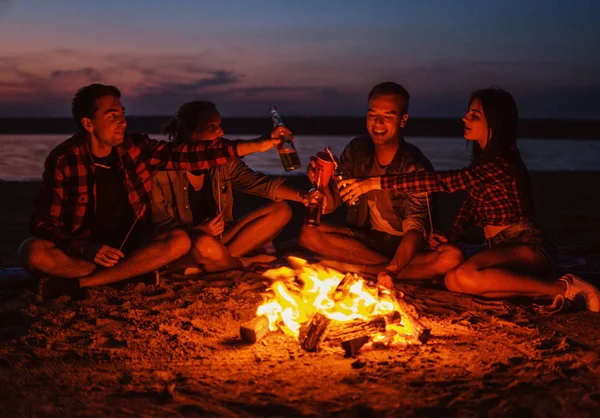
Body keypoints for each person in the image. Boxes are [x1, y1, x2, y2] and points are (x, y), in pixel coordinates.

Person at [339, 88, 600, 312]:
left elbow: (447, 182)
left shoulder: (502, 162)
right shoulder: (483, 162)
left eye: (474, 115)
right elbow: (471, 205)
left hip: (527, 245)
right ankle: (543, 293)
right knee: (453, 281)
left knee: (463, 274)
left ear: (494, 124)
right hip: (498, 249)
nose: (465, 118)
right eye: (468, 112)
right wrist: (450, 235)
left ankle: (564, 287)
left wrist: (375, 182)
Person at [20, 84, 279, 298]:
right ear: (88, 124)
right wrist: (82, 246)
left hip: (135, 250)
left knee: (179, 240)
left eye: (122, 114)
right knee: (31, 251)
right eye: (112, 116)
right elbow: (43, 220)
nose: (122, 122)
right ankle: (126, 276)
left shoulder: (136, 148)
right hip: (86, 253)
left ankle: (84, 283)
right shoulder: (65, 159)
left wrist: (257, 145)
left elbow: (188, 154)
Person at [299, 82, 464, 280]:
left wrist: (393, 268)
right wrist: (320, 180)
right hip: (368, 240)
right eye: (372, 114)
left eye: (387, 116)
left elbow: (415, 230)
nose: (377, 123)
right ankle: (391, 270)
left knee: (451, 257)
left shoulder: (415, 165)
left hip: (406, 245)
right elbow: (330, 205)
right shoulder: (357, 150)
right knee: (309, 233)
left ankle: (367, 270)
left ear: (403, 120)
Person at [151, 101, 307, 273]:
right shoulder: (163, 171)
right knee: (204, 244)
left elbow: (261, 184)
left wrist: (303, 196)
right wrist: (198, 231)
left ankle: (213, 263)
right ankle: (237, 262)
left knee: (282, 209)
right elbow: (159, 231)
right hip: (190, 244)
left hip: (223, 239)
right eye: (211, 127)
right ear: (192, 134)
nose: (221, 132)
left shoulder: (223, 163)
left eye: (220, 125)